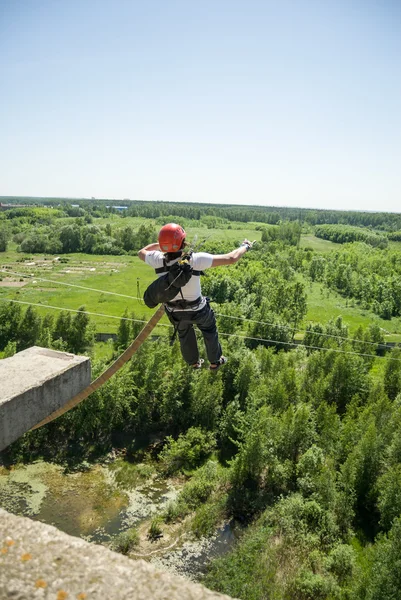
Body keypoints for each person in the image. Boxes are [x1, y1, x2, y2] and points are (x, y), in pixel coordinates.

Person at [138, 223, 252, 370]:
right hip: (198, 309)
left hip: (175, 312)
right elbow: (231, 258)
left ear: (162, 244)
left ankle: (193, 362)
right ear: (182, 242)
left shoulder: (157, 259)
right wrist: (246, 246)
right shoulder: (195, 260)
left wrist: (161, 246)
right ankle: (215, 361)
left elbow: (142, 252)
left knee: (184, 331)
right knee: (209, 329)